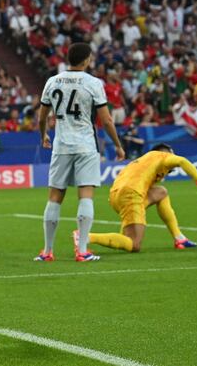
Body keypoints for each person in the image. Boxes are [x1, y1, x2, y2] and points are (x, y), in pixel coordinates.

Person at [35, 43, 125, 262]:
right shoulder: (94, 83)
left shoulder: (52, 81)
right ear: (86, 60)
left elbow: (42, 116)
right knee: (85, 195)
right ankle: (82, 250)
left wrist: (44, 135)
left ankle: (47, 251)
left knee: (55, 197)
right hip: (85, 145)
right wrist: (118, 145)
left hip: (62, 145)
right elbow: (106, 120)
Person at [86, 144, 197, 253]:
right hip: (131, 195)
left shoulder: (143, 161)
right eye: (173, 154)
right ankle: (85, 237)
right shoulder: (161, 156)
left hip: (117, 196)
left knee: (161, 192)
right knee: (134, 244)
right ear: (166, 152)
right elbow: (183, 161)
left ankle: (179, 239)